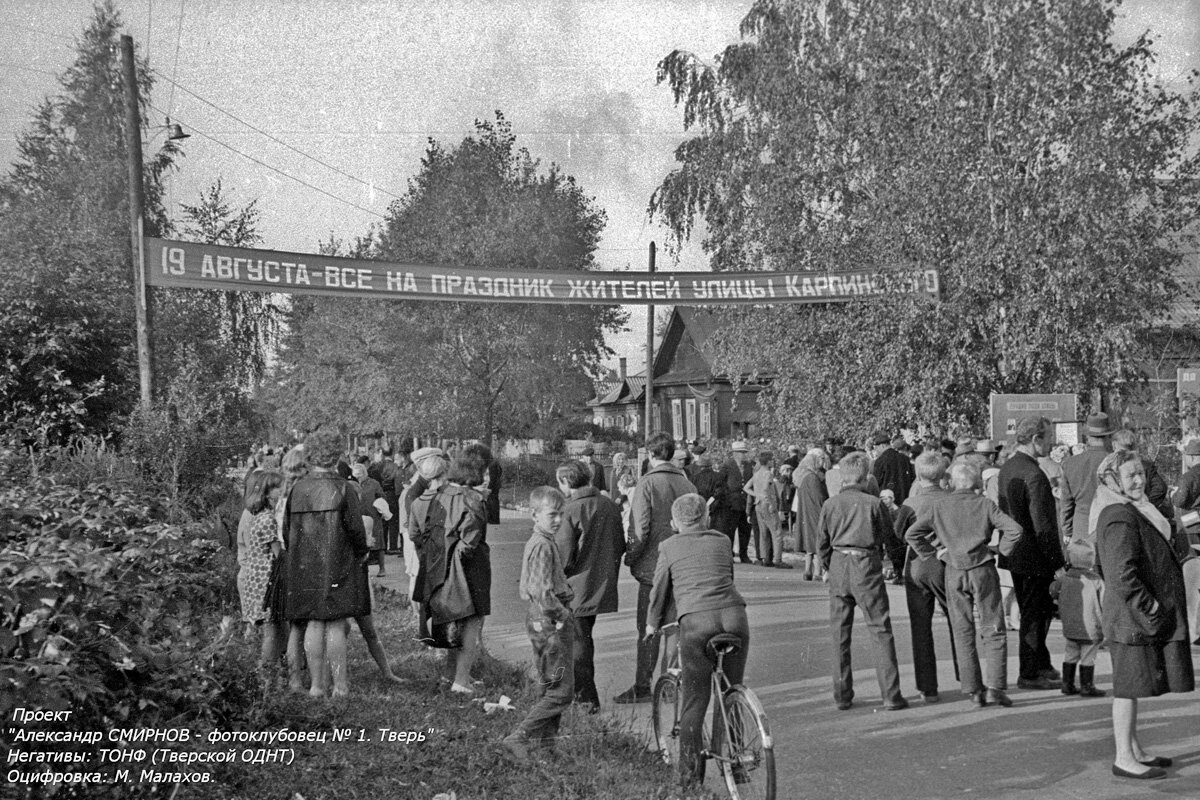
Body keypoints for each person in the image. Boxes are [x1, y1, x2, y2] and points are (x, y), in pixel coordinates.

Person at [1094, 450, 1195, 780]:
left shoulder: (1134, 510)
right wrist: (1150, 607)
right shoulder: (1117, 515)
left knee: (1134, 686)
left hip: (1135, 617)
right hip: (1130, 620)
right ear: (1114, 480)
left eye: (1141, 474)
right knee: (1126, 688)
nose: (1139, 480)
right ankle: (1124, 756)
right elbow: (1120, 573)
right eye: (1130, 476)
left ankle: (1134, 749)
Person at [645, 494, 749, 789]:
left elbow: (659, 590)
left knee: (695, 699)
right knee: (731, 691)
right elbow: (727, 575)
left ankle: (689, 781)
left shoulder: (668, 546)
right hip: (735, 618)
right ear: (706, 518)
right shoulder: (722, 540)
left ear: (675, 523)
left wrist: (652, 624)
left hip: (696, 624)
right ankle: (737, 762)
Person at [908, 462, 1023, 707]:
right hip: (982, 567)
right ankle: (995, 687)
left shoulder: (940, 505)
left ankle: (973, 690)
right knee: (993, 628)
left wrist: (934, 553)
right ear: (977, 484)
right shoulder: (985, 504)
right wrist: (1000, 551)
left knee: (963, 630)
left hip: (954, 569)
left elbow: (913, 534)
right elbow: (1014, 530)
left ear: (952, 482)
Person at [281, 429, 370, 698]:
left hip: (304, 564)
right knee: (334, 623)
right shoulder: (343, 487)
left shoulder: (298, 488)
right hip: (337, 561)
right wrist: (362, 552)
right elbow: (356, 529)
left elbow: (287, 530)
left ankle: (316, 686)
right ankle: (340, 686)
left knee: (313, 623)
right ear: (336, 454)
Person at [817, 451, 907, 711]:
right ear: (866, 476)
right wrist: (893, 563)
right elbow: (889, 538)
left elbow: (821, 542)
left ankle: (842, 695)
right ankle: (891, 695)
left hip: (838, 563)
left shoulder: (830, 504)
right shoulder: (873, 503)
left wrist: (827, 566)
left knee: (839, 633)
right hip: (866, 563)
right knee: (880, 629)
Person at [615, 431, 695, 704]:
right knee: (674, 627)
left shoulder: (646, 484)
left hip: (652, 567)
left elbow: (639, 529)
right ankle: (670, 685)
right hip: (682, 565)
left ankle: (642, 686)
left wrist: (631, 557)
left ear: (650, 454)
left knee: (649, 627)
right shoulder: (688, 485)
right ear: (671, 454)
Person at [408, 449, 492, 695]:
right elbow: (470, 541)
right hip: (469, 569)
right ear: (475, 472)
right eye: (485, 471)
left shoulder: (438, 495)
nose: (488, 477)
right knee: (472, 623)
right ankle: (461, 680)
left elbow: (420, 534)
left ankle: (449, 675)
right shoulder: (472, 499)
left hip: (438, 567)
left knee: (454, 621)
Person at [502, 487, 575, 762]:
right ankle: (518, 737)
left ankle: (547, 746)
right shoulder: (543, 545)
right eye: (552, 514)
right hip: (550, 621)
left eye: (561, 514)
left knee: (549, 684)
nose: (558, 520)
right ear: (534, 514)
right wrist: (564, 615)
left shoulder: (540, 540)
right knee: (562, 691)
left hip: (538, 620)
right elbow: (544, 593)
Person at [997, 416, 1065, 690]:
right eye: (1048, 436)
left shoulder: (1009, 466)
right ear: (1036, 439)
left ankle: (1041, 662)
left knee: (1033, 611)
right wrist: (1057, 562)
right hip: (1034, 554)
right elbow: (1043, 526)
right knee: (1035, 614)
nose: (1052, 442)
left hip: (1015, 552)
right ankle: (1029, 672)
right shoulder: (1035, 475)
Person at [554, 460, 626, 713]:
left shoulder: (570, 510)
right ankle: (581, 695)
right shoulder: (608, 505)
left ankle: (586, 699)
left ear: (566, 481)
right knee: (583, 639)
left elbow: (562, 556)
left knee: (577, 644)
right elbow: (620, 544)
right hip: (602, 582)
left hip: (575, 586)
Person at [891, 451, 956, 703]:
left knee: (921, 626)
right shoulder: (952, 499)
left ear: (918, 475)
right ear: (943, 474)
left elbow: (898, 534)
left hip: (918, 564)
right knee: (957, 621)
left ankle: (927, 687)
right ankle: (969, 677)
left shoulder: (911, 503)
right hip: (946, 564)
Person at [239, 469, 286, 685]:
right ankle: (267, 673)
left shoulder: (258, 516)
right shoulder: (267, 519)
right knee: (271, 629)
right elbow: (278, 553)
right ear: (267, 493)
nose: (280, 491)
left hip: (254, 577)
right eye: (277, 488)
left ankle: (268, 669)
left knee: (267, 627)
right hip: (265, 580)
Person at [743, 451, 788, 567]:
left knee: (763, 532)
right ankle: (778, 559)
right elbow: (765, 489)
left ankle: (764, 558)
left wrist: (756, 495)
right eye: (772, 460)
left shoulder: (757, 473)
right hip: (767, 504)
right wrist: (770, 503)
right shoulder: (768, 473)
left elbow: (746, 487)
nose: (773, 461)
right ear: (768, 461)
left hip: (758, 504)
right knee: (776, 532)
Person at [794, 448, 830, 581]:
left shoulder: (803, 476)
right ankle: (817, 572)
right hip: (816, 513)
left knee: (809, 543)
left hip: (806, 513)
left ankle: (807, 570)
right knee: (818, 541)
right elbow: (819, 498)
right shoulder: (813, 478)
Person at [352, 458, 392, 577]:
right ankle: (363, 571)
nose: (358, 477)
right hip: (359, 517)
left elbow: (382, 497)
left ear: (365, 473)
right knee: (362, 543)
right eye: (356, 475)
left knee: (378, 544)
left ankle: (382, 568)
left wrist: (381, 507)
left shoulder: (374, 483)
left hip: (374, 516)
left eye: (360, 475)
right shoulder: (352, 484)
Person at [720, 440, 755, 563]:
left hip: (745, 502)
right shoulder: (727, 465)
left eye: (744, 452)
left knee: (745, 530)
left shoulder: (749, 466)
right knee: (730, 530)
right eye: (741, 452)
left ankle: (744, 554)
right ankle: (729, 554)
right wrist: (726, 499)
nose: (744, 455)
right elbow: (722, 483)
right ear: (734, 453)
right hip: (731, 503)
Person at [871, 433, 915, 504]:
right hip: (905, 501)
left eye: (876, 448)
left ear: (882, 446)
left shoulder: (880, 461)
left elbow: (876, 482)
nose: (876, 451)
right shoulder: (905, 458)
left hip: (887, 502)